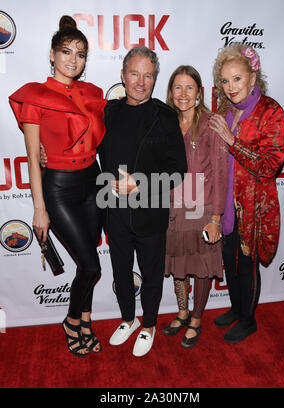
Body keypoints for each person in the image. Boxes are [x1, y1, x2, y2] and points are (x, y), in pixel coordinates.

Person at [9, 16, 106, 357]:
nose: (73, 59)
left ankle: (85, 320)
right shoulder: (35, 96)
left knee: (87, 262)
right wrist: (40, 208)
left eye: (80, 53)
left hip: (93, 182)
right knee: (92, 266)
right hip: (60, 188)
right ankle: (70, 322)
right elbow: (34, 159)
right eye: (66, 51)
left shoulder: (92, 93)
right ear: (52, 55)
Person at [99, 46, 187, 357]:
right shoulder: (108, 112)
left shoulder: (164, 116)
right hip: (115, 213)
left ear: (154, 79)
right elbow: (86, 149)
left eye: (148, 75)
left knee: (150, 275)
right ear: (122, 75)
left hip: (150, 213)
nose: (141, 81)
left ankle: (148, 324)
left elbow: (178, 170)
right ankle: (128, 319)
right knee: (120, 272)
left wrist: (141, 182)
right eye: (134, 74)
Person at [208, 45, 284, 343]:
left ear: (253, 78)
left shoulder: (271, 111)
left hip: (253, 206)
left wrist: (231, 141)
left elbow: (269, 165)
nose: (230, 88)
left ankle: (248, 319)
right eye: (225, 81)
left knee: (247, 263)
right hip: (227, 204)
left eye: (237, 79)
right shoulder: (226, 111)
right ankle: (236, 307)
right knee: (230, 260)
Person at [163, 66, 228, 348]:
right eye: (178, 87)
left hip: (202, 208)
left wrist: (215, 217)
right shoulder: (165, 122)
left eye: (190, 87)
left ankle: (197, 319)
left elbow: (221, 172)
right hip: (172, 207)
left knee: (202, 266)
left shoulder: (212, 123)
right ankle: (182, 311)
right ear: (170, 92)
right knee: (178, 264)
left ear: (200, 92)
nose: (184, 94)